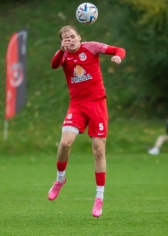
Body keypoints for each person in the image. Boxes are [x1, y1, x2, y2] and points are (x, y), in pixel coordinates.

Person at [47, 25, 126, 218]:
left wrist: (118, 57)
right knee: (65, 143)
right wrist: (61, 49)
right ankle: (59, 180)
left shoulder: (91, 47)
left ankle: (99, 198)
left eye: (72, 36)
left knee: (99, 151)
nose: (70, 40)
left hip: (97, 104)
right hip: (77, 105)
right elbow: (54, 65)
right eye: (66, 38)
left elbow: (118, 49)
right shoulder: (63, 55)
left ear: (79, 37)